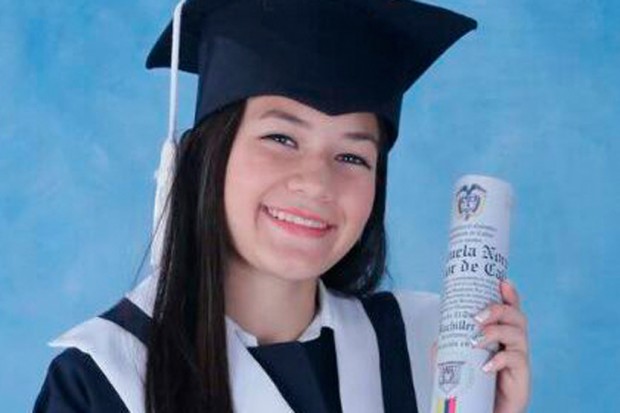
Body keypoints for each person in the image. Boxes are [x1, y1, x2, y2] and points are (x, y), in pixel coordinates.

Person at [34, 0, 530, 412]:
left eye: (352, 156)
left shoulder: (424, 350)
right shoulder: (104, 381)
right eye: (281, 138)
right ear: (206, 156)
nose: (316, 183)